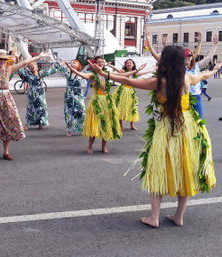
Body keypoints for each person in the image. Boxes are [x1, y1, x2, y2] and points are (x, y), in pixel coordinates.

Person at [88, 45, 217, 228]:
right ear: (181, 62)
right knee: (186, 167)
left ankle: (154, 218)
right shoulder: (187, 78)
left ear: (164, 61)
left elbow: (130, 82)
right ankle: (179, 216)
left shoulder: (158, 82)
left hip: (166, 127)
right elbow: (203, 76)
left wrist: (105, 74)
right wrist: (215, 70)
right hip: (189, 127)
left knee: (159, 168)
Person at [67, 56, 129, 154]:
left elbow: (123, 74)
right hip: (97, 101)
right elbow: (83, 75)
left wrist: (137, 70)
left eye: (102, 62)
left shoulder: (107, 74)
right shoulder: (92, 74)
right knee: (95, 123)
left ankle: (103, 147)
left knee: (107, 124)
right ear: (95, 64)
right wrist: (71, 69)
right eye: (99, 62)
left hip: (108, 101)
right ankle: (90, 146)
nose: (101, 63)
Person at [107, 59, 151, 131]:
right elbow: (116, 68)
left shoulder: (135, 74)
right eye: (127, 63)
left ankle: (132, 124)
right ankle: (120, 125)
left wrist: (154, 69)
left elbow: (145, 72)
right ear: (125, 64)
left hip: (131, 92)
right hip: (122, 91)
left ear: (133, 65)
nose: (129, 64)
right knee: (120, 107)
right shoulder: (123, 72)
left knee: (132, 107)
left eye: (130, 63)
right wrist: (109, 65)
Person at [19, 54, 56, 130]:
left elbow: (52, 70)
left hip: (41, 94)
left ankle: (41, 123)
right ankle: (27, 124)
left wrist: (52, 59)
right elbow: (20, 69)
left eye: (33, 65)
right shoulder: (28, 74)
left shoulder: (41, 73)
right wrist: (18, 59)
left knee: (41, 108)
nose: (32, 66)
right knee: (30, 108)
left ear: (36, 66)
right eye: (30, 65)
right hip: (32, 93)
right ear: (29, 68)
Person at [58, 59, 86, 136]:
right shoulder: (67, 73)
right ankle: (69, 130)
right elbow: (60, 68)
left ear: (79, 66)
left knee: (81, 111)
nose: (73, 63)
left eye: (75, 63)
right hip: (69, 95)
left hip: (78, 95)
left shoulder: (81, 74)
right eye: (73, 62)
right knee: (68, 112)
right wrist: (62, 63)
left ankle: (81, 128)